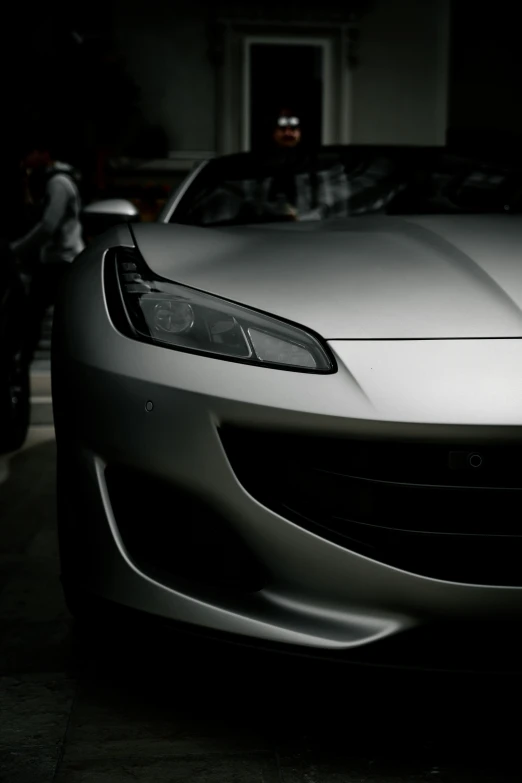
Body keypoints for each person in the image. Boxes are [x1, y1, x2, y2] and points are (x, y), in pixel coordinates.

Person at [9, 140, 85, 359]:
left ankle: (22, 365)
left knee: (30, 318)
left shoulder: (58, 182)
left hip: (61, 259)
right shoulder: (44, 180)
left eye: (30, 153)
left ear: (43, 153)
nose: (25, 159)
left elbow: (48, 226)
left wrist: (17, 250)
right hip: (54, 259)